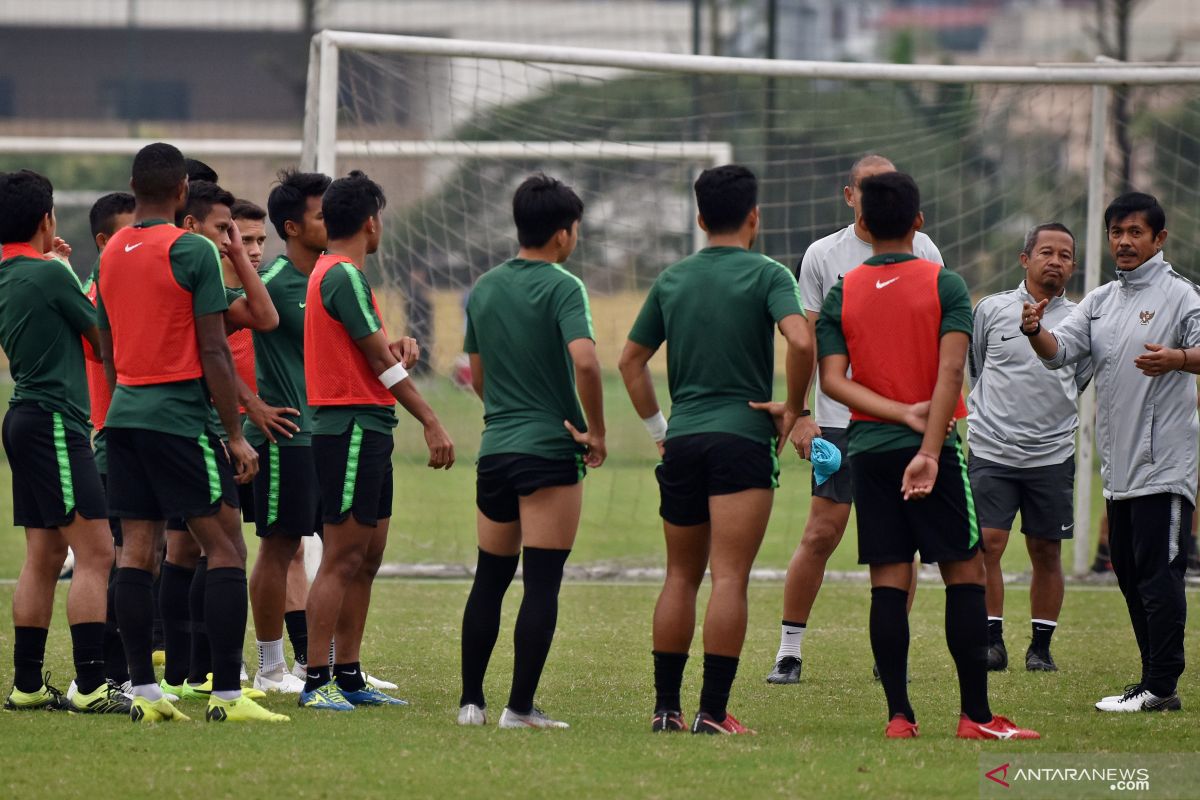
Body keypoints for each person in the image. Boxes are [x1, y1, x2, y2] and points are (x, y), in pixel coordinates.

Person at [817, 171, 1038, 739]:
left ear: (862, 223)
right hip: (931, 453)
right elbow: (949, 373)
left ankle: (899, 718)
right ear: (919, 221)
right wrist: (931, 447)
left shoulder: (843, 290)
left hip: (867, 452)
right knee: (964, 569)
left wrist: (894, 413)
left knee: (888, 579)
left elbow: (834, 382)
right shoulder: (946, 284)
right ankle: (976, 718)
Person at [619, 164, 812, 735]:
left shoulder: (673, 278)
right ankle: (712, 713)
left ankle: (665, 710)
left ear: (700, 219)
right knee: (729, 578)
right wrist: (794, 407)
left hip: (683, 439)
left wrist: (659, 428)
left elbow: (630, 360)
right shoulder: (769, 274)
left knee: (680, 576)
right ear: (755, 217)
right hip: (741, 439)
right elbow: (801, 338)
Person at [98, 142, 286, 723]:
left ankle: (144, 692)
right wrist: (234, 434)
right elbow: (214, 348)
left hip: (124, 416)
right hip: (178, 420)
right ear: (182, 192)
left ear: (135, 189)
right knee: (226, 545)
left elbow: (106, 343)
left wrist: (120, 397)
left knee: (137, 549)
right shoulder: (191, 250)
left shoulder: (111, 252)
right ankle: (228, 695)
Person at [767, 154, 943, 685]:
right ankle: (789, 650)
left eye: (887, 186)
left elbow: (937, 340)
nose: (877, 197)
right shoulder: (824, 254)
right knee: (823, 531)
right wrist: (800, 414)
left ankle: (889, 650)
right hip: (840, 421)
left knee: (901, 535)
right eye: (868, 188)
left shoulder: (925, 250)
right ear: (850, 195)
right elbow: (808, 341)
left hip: (904, 419)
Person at [1023, 191, 1200, 712]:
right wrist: (1035, 331)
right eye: (1117, 233)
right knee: (1127, 570)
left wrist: (1179, 358)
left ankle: (1161, 685)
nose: (1124, 242)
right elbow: (1058, 354)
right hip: (1118, 471)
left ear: (1159, 239)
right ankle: (1152, 682)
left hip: (1165, 466)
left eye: (1135, 233)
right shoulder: (1100, 301)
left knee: (1159, 575)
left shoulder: (1182, 296)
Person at [299, 170, 454, 710]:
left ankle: (349, 674)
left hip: (369, 428)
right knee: (342, 557)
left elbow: (369, 351)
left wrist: (394, 346)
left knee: (367, 557)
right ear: (372, 222)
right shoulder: (341, 274)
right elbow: (378, 367)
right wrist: (431, 420)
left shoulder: (339, 274)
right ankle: (315, 680)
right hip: (348, 430)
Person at [457, 174, 605, 729]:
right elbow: (586, 361)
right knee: (542, 582)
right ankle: (519, 709)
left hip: (496, 447)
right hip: (549, 449)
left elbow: (478, 373)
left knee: (489, 577)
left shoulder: (487, 286)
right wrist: (595, 431)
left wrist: (502, 410)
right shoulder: (564, 285)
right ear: (564, 234)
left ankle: (471, 703)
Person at [0, 170, 129, 714]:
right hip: (55, 421)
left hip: (23, 418)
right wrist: (67, 268)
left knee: (45, 554)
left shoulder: (10, 271)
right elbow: (102, 342)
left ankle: (27, 686)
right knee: (97, 552)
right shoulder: (49, 274)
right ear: (46, 219)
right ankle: (93, 686)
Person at [157, 180, 280, 702]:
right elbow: (221, 350)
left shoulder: (140, 262)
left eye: (251, 238)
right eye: (228, 231)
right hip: (194, 426)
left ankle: (169, 677)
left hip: (146, 421)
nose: (240, 243)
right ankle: (209, 677)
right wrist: (239, 424)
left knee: (173, 549)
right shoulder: (194, 276)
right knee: (221, 547)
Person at [968, 223, 1092, 673]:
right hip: (992, 449)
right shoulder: (991, 309)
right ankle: (991, 641)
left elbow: (1078, 379)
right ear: (1026, 259)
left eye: (1064, 255)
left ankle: (1040, 648)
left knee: (1045, 550)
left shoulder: (1083, 318)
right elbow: (977, 370)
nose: (1055, 261)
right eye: (1046, 252)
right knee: (988, 544)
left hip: (1052, 454)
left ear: (1073, 265)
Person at [248, 169, 332, 693]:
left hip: (328, 435)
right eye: (323, 214)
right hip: (287, 440)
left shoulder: (332, 278)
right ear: (293, 227)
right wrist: (252, 405)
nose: (334, 222)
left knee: (344, 552)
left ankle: (325, 665)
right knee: (279, 549)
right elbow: (209, 341)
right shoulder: (274, 285)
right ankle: (269, 665)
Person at [83, 191, 137, 694]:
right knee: (121, 558)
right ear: (103, 241)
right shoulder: (96, 296)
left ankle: (122, 669)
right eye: (126, 232)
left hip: (134, 437)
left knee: (142, 557)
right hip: (110, 441)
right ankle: (110, 671)